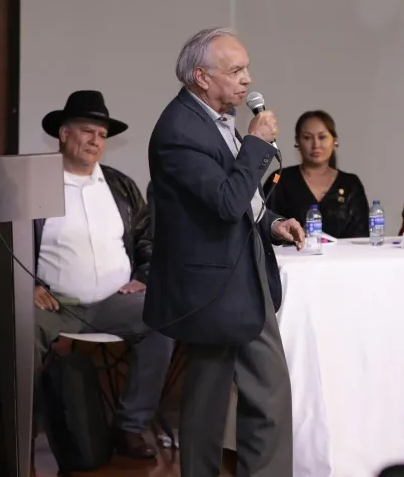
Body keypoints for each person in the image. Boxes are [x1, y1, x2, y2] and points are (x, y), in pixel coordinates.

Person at [144, 28, 304, 476]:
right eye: (234, 71)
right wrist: (255, 142)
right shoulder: (179, 131)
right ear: (200, 77)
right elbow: (226, 202)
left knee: (267, 394)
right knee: (208, 406)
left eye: (246, 68)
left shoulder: (214, 118)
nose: (246, 80)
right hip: (212, 285)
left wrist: (273, 224)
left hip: (244, 270)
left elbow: (242, 199)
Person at [33, 90, 172, 459]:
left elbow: (147, 237)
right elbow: (6, 245)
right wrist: (28, 285)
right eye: (87, 131)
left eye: (101, 134)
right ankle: (21, 432)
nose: (95, 140)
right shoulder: (34, 184)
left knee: (163, 319)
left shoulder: (119, 185)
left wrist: (144, 273)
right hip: (55, 305)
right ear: (64, 133)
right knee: (20, 331)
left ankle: (129, 426)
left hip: (115, 301)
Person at [262, 110, 370, 238]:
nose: (316, 145)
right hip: (292, 256)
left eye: (322, 137)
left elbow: (362, 235)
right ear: (297, 141)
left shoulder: (350, 184)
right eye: (307, 137)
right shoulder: (280, 180)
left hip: (344, 257)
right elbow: (263, 225)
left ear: (334, 141)